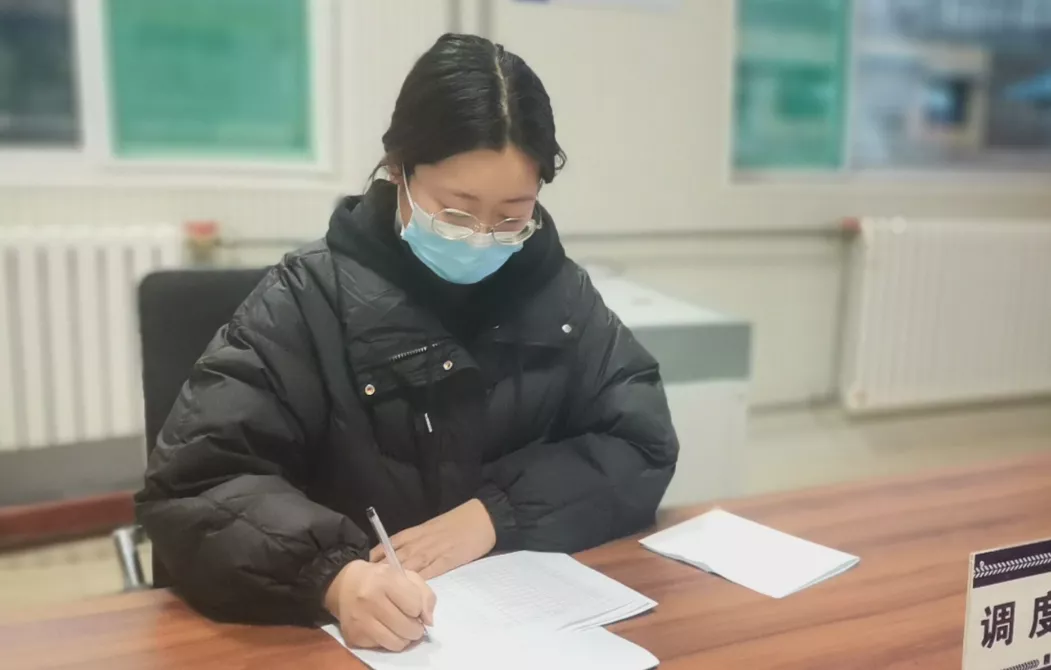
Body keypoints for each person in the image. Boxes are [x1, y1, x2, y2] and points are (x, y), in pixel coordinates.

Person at [136, 33, 678, 652]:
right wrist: (332, 578)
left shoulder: (557, 293)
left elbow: (640, 440)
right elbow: (196, 485)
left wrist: (498, 513)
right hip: (349, 642)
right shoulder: (307, 299)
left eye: (511, 216)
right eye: (456, 211)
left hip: (522, 629)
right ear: (398, 169)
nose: (481, 238)